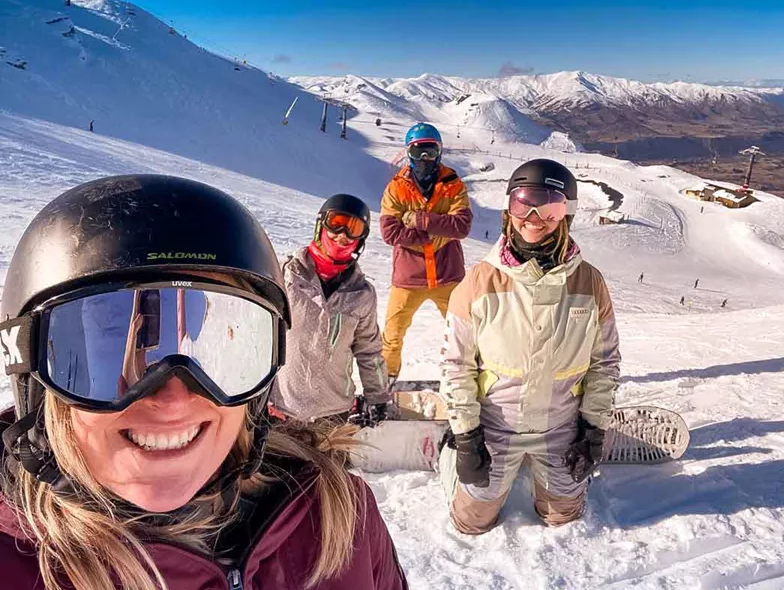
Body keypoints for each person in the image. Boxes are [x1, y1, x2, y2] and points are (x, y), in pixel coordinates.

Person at [0, 175, 408, 590]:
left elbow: (370, 349)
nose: (172, 398)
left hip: (327, 408)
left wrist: (377, 395)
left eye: (210, 352)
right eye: (108, 342)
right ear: (30, 367)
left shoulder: (343, 525)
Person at [439, 159, 621, 534]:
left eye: (549, 207)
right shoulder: (480, 281)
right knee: (471, 523)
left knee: (562, 518)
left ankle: (540, 470)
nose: (533, 218)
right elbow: (456, 364)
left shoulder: (589, 283)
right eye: (523, 203)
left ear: (566, 214)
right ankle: (449, 454)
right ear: (509, 210)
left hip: (559, 426)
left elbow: (604, 362)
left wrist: (592, 429)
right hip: (495, 427)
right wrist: (467, 437)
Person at [271, 194, 390, 425]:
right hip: (281, 408)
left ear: (361, 239)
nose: (342, 235)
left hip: (333, 411)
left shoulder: (361, 294)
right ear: (321, 225)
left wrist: (377, 396)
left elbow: (369, 350)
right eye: (336, 223)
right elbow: (258, 336)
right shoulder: (285, 275)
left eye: (353, 229)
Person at [380, 123, 472, 382]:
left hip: (448, 275)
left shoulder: (453, 185)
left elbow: (461, 226)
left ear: (439, 152)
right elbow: (390, 233)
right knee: (392, 335)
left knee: (465, 331)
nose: (424, 158)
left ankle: (468, 379)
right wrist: (437, 231)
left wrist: (419, 220)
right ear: (408, 153)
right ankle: (385, 381)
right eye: (417, 151)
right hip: (409, 278)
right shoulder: (396, 188)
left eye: (430, 151)